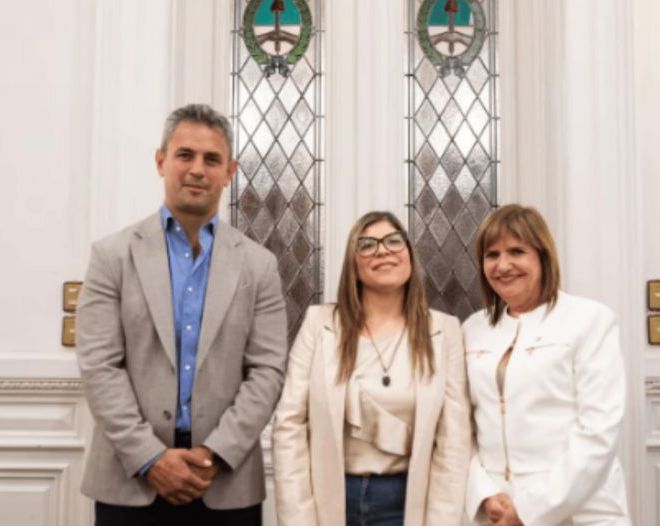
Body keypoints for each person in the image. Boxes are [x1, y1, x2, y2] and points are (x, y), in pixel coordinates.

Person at [75, 103, 288, 525]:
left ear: (229, 171)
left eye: (212, 159)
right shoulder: (111, 256)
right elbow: (100, 366)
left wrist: (214, 454)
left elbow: (267, 371)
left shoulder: (260, 266)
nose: (197, 169)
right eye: (184, 155)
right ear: (161, 161)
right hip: (130, 480)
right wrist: (150, 457)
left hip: (223, 483)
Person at [272, 211, 471, 526]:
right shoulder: (318, 324)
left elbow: (454, 439)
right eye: (367, 245)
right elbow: (288, 425)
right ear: (353, 262)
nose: (382, 250)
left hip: (407, 504)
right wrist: (298, 519)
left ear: (409, 254)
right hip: (332, 500)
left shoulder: (445, 331)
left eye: (394, 241)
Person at [463, 204, 631, 526]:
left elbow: (598, 430)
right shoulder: (472, 328)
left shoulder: (590, 320)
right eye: (492, 254)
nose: (503, 265)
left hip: (579, 510)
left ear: (542, 256)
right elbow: (461, 427)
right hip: (495, 511)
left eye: (516, 251)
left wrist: (528, 510)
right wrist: (483, 493)